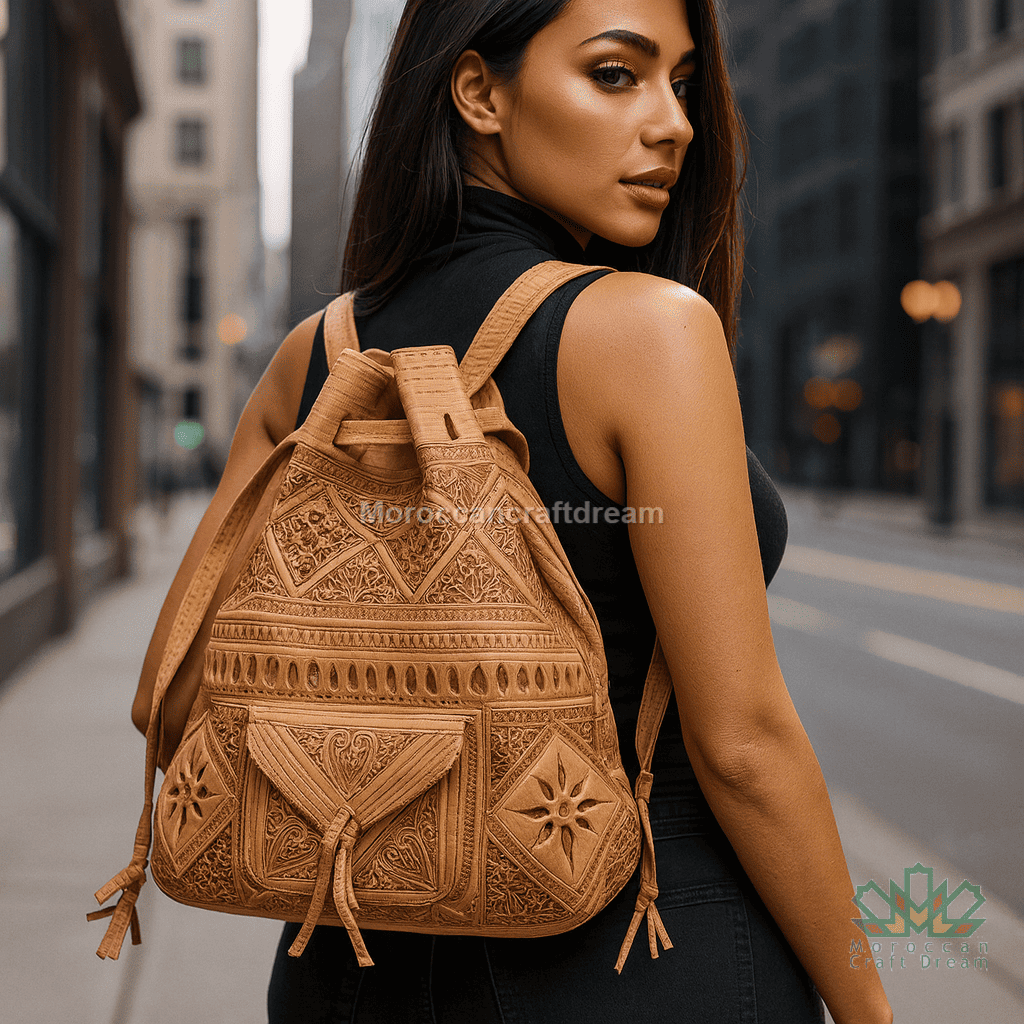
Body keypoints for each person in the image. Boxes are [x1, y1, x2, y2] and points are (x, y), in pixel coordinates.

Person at [134, 1, 894, 1021]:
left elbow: (169, 699)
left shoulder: (314, 357)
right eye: (617, 74)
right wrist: (869, 1001)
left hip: (345, 967)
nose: (675, 124)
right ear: (480, 92)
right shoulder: (648, 331)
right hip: (641, 954)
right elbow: (743, 744)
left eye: (679, 83)